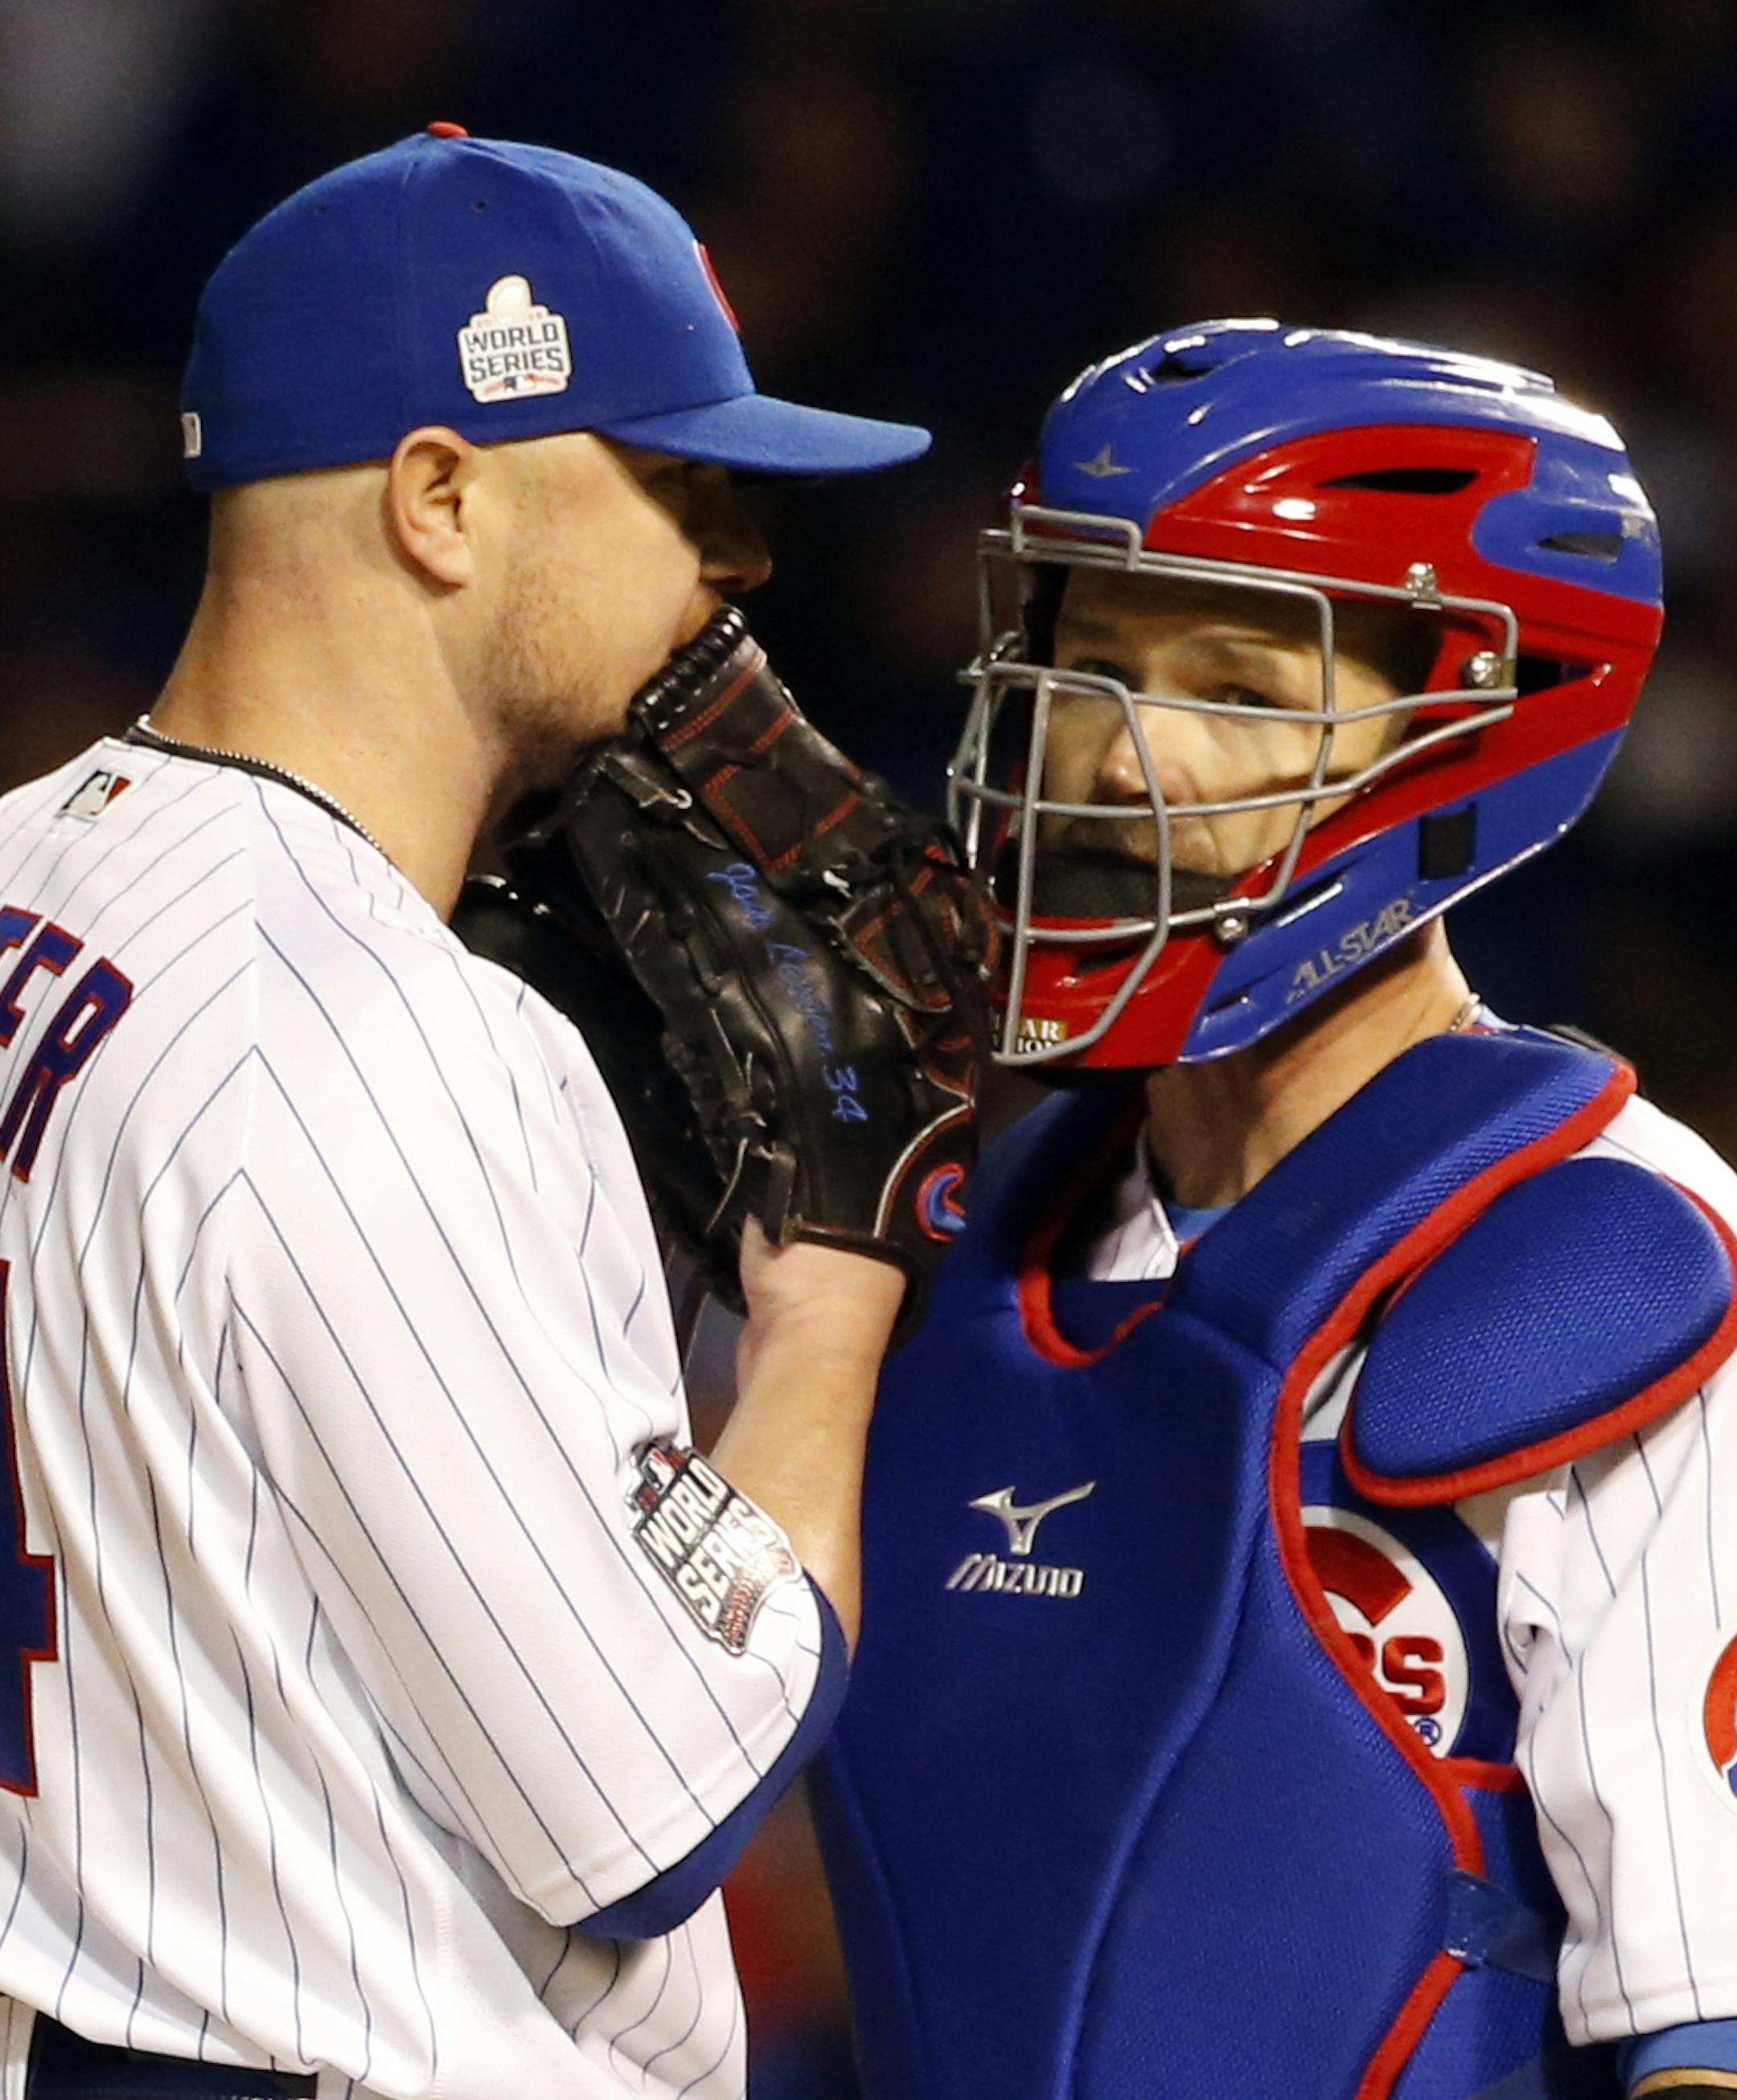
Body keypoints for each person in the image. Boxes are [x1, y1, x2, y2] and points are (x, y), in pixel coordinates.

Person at [0, 126, 931, 2100]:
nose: (740, 561)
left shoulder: (32, 877)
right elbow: (650, 1802)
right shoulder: (379, 1031)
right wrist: (829, 1318)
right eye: (680, 482)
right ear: (441, 495)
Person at [814, 323, 1737, 2100]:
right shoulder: (964, 1241)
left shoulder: (1615, 1263)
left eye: (1236, 683)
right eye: (1088, 662)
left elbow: (1704, 2025)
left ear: (1475, 722)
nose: (1117, 757)